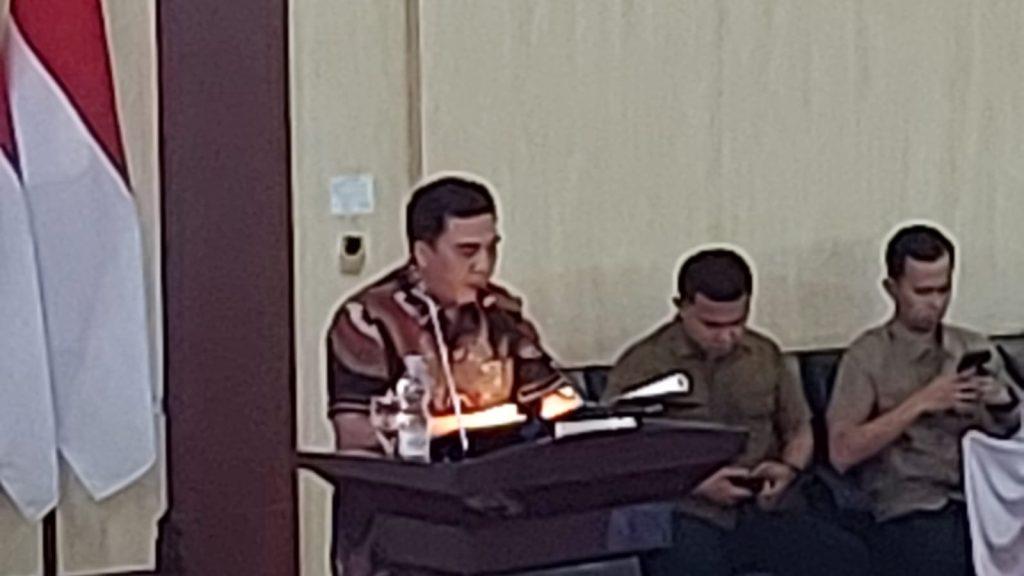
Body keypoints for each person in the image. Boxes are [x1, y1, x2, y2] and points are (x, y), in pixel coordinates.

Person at [325, 174, 580, 574]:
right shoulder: (369, 319)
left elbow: (553, 397)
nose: (484, 265)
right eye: (467, 251)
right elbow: (355, 435)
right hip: (400, 524)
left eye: (491, 249)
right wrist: (471, 422)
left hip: (493, 517)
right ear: (422, 252)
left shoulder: (500, 312)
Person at [603, 248, 868, 576]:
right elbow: (619, 452)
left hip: (762, 507)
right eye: (711, 325)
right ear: (681, 307)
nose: (726, 336)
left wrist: (787, 469)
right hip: (685, 510)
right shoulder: (643, 364)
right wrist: (694, 484)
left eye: (737, 323)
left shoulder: (764, 354)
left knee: (847, 557)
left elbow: (798, 427)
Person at [827, 224, 1020, 576]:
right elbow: (842, 452)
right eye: (922, 291)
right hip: (911, 501)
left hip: (982, 493)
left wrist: (1002, 400)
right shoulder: (868, 356)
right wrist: (920, 403)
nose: (935, 303)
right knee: (943, 551)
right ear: (892, 289)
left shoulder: (973, 346)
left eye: (943, 289)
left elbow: (1015, 435)